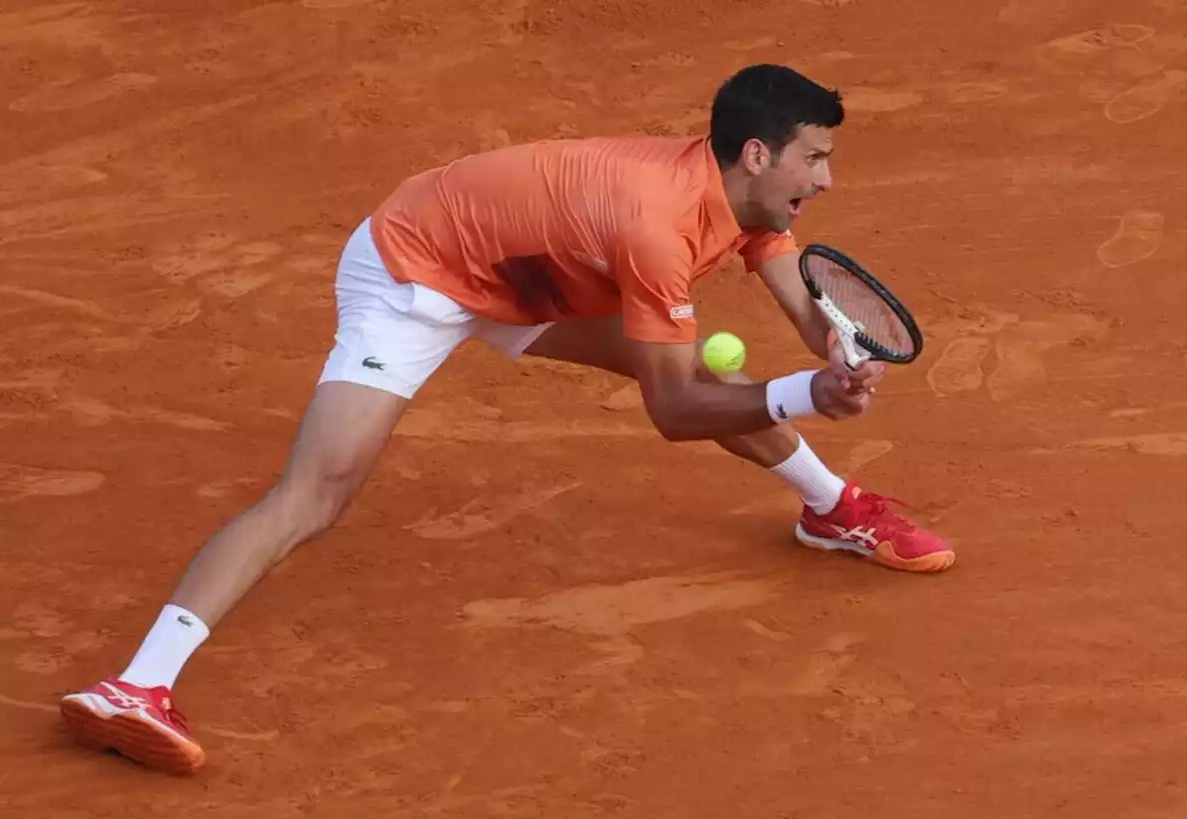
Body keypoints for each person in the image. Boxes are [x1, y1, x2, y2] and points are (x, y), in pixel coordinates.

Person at [59, 63, 955, 775]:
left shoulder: (749, 196)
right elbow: (673, 411)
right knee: (317, 491)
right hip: (417, 268)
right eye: (816, 158)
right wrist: (809, 393)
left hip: (525, 273)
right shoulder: (656, 226)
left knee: (719, 373)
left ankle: (828, 505)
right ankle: (135, 686)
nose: (828, 179)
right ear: (757, 154)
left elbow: (795, 285)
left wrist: (830, 346)